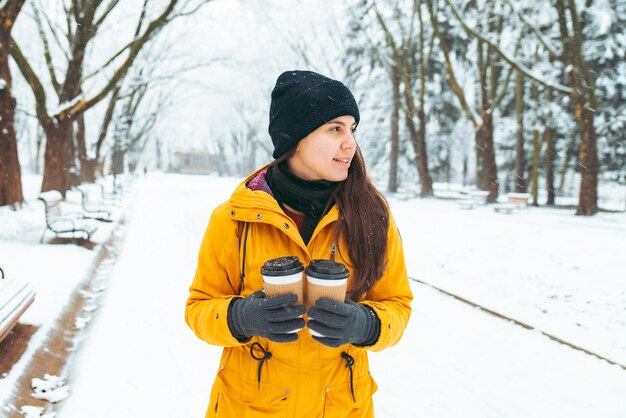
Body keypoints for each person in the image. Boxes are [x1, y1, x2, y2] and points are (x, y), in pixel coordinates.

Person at [185, 70, 413, 417]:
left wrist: (366, 324)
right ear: (296, 140)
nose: (349, 143)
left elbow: (397, 304)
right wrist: (240, 317)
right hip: (251, 406)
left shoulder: (372, 216)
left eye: (351, 129)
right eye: (335, 128)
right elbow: (198, 309)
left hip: (341, 406)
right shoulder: (234, 218)